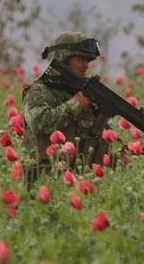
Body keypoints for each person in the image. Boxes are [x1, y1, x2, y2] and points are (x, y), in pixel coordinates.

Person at [22, 32, 112, 182]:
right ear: (63, 60)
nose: (86, 65)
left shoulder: (84, 95)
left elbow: (98, 141)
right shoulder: (39, 91)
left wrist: (119, 157)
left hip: (81, 182)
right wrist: (75, 105)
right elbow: (38, 121)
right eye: (80, 59)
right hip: (44, 181)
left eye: (88, 60)